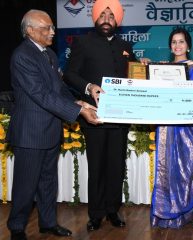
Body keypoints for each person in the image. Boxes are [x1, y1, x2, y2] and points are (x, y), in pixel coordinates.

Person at [7, 9, 99, 240]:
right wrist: (79, 111)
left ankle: (47, 223)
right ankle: (16, 227)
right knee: (26, 185)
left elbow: (57, 90)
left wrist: (78, 101)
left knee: (48, 182)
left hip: (49, 129)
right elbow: (40, 94)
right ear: (30, 31)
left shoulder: (47, 53)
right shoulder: (22, 56)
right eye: (46, 28)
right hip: (30, 132)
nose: (52, 32)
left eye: (52, 27)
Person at [63, 0, 135, 231]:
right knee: (96, 167)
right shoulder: (83, 43)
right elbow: (70, 75)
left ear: (118, 20)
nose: (106, 19)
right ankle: (95, 214)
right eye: (102, 15)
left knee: (116, 166)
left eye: (111, 16)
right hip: (94, 116)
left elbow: (133, 77)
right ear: (95, 18)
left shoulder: (125, 44)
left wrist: (140, 66)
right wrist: (89, 87)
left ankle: (113, 210)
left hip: (120, 117)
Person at [150, 28, 193, 228]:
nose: (177, 46)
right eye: (174, 42)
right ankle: (164, 213)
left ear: (189, 46)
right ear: (170, 46)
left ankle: (181, 213)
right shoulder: (164, 68)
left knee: (183, 166)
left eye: (181, 42)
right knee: (165, 166)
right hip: (166, 123)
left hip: (185, 126)